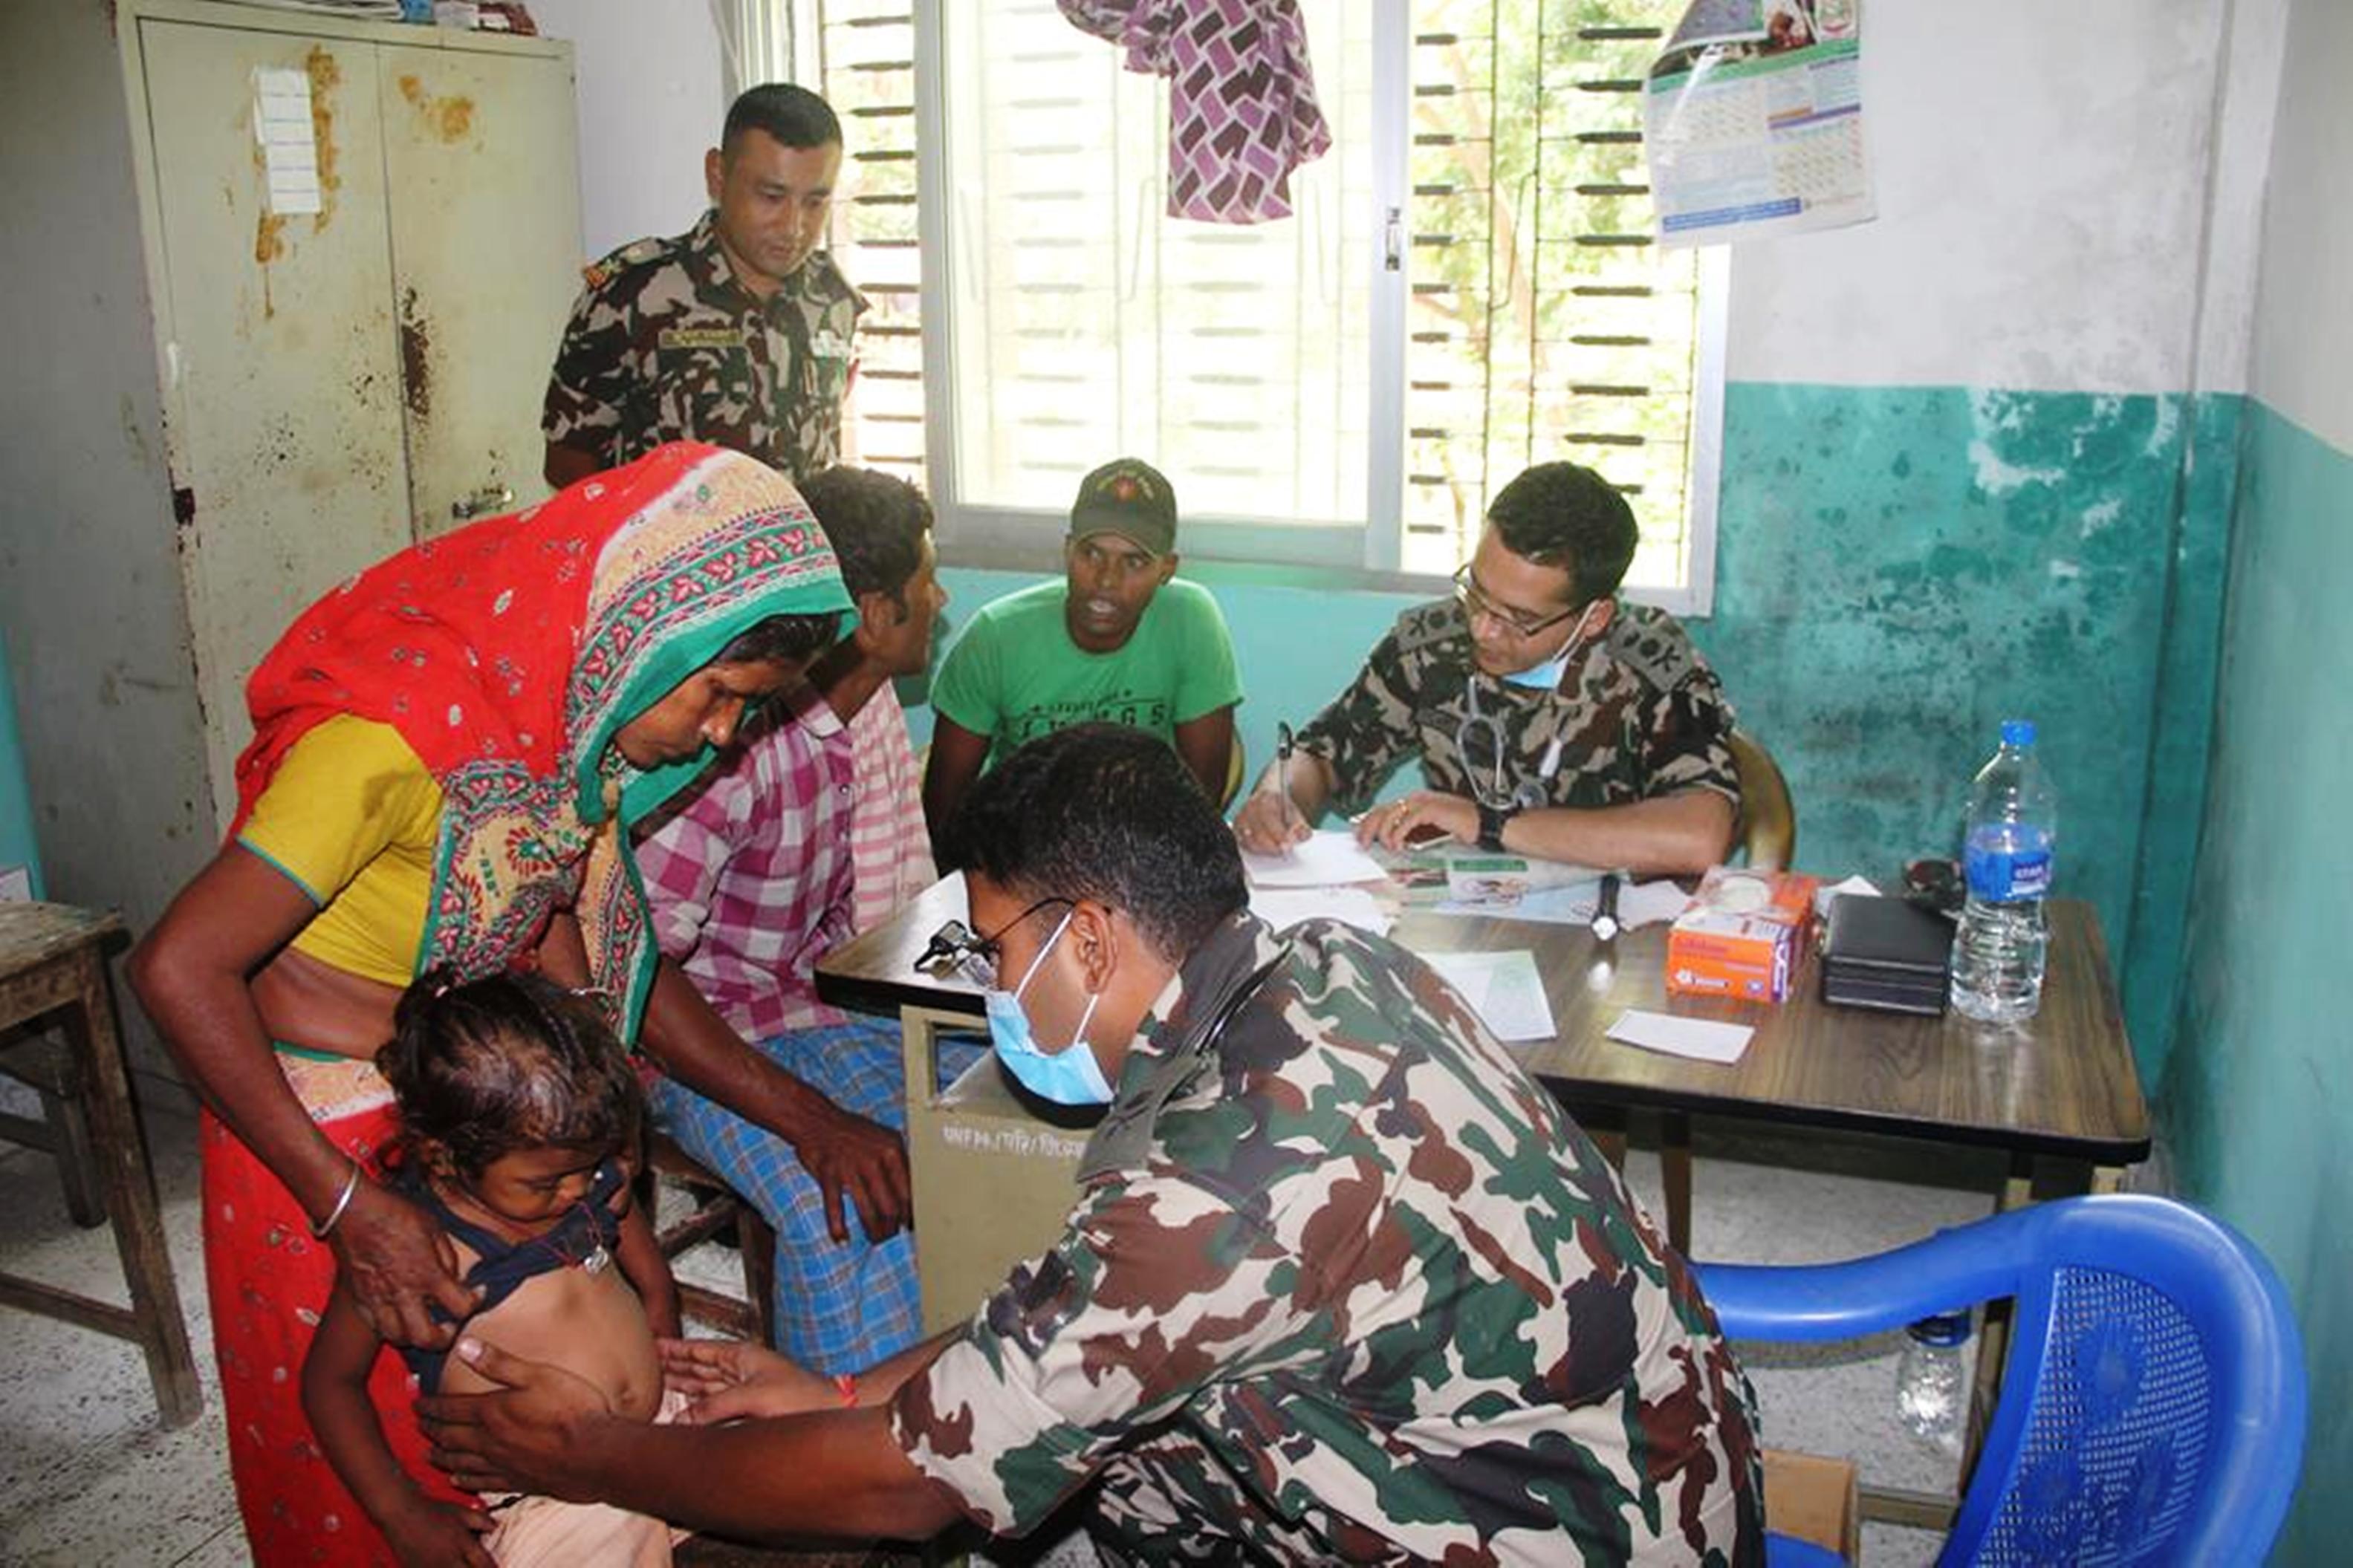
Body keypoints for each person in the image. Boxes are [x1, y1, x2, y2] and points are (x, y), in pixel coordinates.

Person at [419, 726, 1767, 1564]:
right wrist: (839, 1396)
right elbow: (1090, 1308)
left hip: (1567, 1530)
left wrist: (586, 1461)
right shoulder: (1328, 962)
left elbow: (909, 1493)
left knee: (1032, 1465)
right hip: (1645, 1460)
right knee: (1115, 1440)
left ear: (1093, 939)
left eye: (998, 951)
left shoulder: (1220, 1184)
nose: (993, 987)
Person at [126, 442, 912, 1567]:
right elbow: (176, 967)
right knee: (385, 1485)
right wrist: (348, 1205)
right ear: (651, 635)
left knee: (512, 1468)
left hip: (478, 1111)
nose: (720, 735)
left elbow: (601, 975)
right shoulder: (389, 747)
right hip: (318, 1139)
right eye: (720, 697)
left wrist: (733, 1151)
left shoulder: (562, 741)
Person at [634, 464, 960, 1373]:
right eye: (924, 578)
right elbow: (633, 970)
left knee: (997, 1121)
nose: (940, 593)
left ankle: (961, 1411)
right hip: (694, 1042)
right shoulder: (724, 748)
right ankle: (835, 1455)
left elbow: (877, 914)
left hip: (806, 1005)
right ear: (870, 612)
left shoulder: (857, 719)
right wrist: (815, 1121)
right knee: (846, 1202)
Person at [304, 971, 681, 1568]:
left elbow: (637, 1247)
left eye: (589, 1165)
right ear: (443, 1155)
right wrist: (400, 1511)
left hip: (660, 1432)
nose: (581, 1188)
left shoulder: (583, 1176)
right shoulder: (419, 1256)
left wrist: (659, 1316)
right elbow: (329, 1384)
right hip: (555, 1501)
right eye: (548, 1181)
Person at [1233, 460, 1741, 874]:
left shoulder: (1649, 666)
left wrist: (1486, 822)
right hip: (1463, 921)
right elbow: (1320, 754)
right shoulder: (1430, 646)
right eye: (1476, 591)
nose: (1481, 629)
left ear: (1594, 617)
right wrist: (1275, 796)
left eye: (1520, 618)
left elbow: (1698, 835)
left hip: (1609, 928)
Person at [542, 83, 862, 492]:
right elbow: (568, 464)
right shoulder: (632, 296)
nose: (794, 227)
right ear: (717, 173)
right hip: (666, 554)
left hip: (798, 553)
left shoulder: (832, 299)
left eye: (815, 202)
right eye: (771, 196)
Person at [921, 457, 1242, 853]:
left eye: (1135, 561)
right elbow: (945, 813)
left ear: (1167, 569)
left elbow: (1200, 801)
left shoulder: (1191, 619)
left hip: (1141, 848)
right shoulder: (997, 635)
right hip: (1019, 850)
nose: (1107, 580)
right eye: (1092, 554)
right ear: (1068, 550)